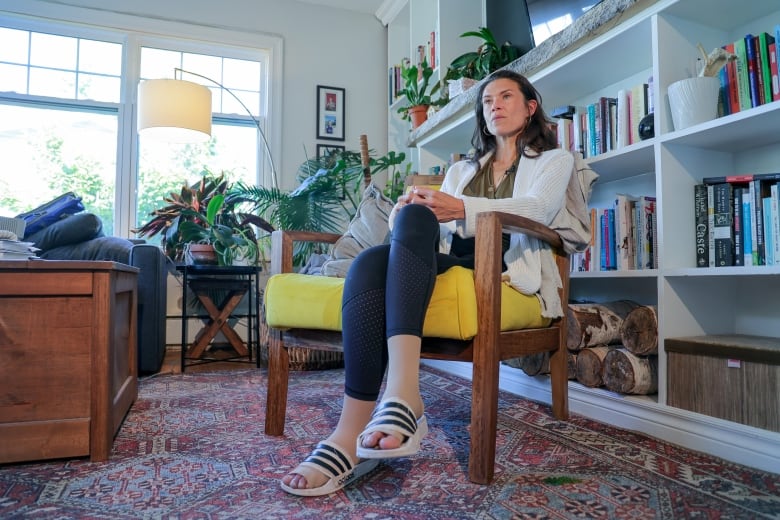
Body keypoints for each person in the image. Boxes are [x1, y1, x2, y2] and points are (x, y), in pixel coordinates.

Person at [281, 69, 575, 496]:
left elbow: (540, 209)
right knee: (370, 260)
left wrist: (458, 207)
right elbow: (435, 234)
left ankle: (391, 407)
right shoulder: (461, 169)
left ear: (530, 108)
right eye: (488, 100)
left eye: (506, 96)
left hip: (507, 267)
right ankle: (373, 417)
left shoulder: (554, 160)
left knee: (407, 232)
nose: (494, 104)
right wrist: (405, 215)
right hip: (453, 260)